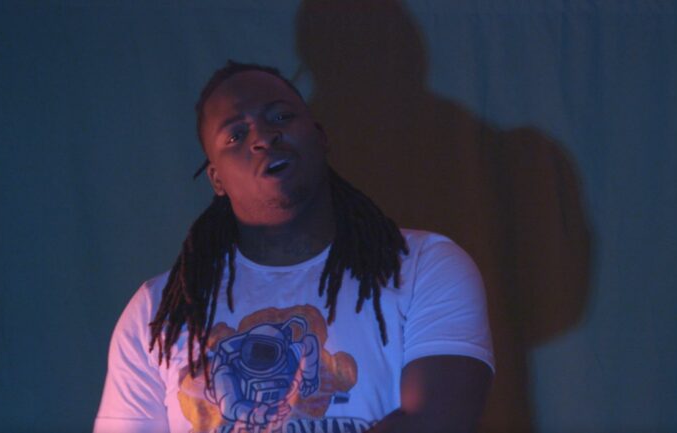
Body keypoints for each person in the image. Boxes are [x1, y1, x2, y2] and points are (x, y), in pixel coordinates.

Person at [94, 61, 494, 433]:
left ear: (320, 136)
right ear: (216, 179)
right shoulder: (155, 312)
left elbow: (434, 422)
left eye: (280, 117)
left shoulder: (423, 266)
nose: (263, 137)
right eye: (235, 135)